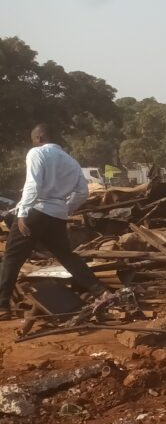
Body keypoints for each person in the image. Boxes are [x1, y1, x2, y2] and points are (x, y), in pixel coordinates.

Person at [0, 124, 109, 319]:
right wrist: (64, 209)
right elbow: (82, 192)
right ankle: (101, 291)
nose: (32, 142)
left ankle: (2, 306)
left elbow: (33, 185)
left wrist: (22, 213)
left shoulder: (36, 153)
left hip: (35, 211)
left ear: (39, 138)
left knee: (12, 257)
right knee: (66, 255)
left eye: (33, 139)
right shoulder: (71, 162)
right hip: (56, 215)